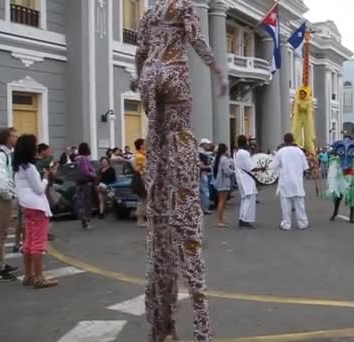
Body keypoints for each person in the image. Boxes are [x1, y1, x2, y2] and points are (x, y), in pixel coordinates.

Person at [134, 0, 228, 340]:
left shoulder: (148, 12)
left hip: (150, 74)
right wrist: (217, 68)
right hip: (174, 71)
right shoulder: (183, 6)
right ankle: (202, 329)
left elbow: (140, 53)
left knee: (157, 148)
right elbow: (197, 39)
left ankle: (160, 324)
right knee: (180, 138)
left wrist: (139, 79)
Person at [13, 134, 59, 289]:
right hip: (37, 206)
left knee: (29, 241)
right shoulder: (30, 167)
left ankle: (28, 275)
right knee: (38, 242)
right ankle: (39, 277)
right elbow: (39, 189)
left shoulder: (18, 166)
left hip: (26, 205)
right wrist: (45, 177)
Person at [0, 127, 18, 282]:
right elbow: (1, 179)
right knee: (0, 234)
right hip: (1, 199)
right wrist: (8, 194)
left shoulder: (4, 154)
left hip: (0, 197)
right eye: (14, 136)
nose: (16, 138)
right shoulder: (1, 155)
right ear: (7, 138)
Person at [270, 133, 310, 230]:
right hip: (297, 181)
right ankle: (303, 223)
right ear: (293, 140)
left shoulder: (281, 152)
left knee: (285, 205)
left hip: (285, 181)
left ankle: (286, 224)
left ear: (284, 141)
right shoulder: (299, 151)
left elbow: (273, 166)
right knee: (300, 204)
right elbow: (305, 167)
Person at [234, 135, 262, 228]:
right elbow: (251, 168)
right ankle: (245, 219)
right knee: (249, 198)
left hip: (241, 177)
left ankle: (242, 217)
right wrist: (261, 169)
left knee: (245, 199)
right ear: (246, 142)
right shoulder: (244, 153)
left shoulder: (236, 152)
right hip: (246, 178)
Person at [75, 143, 95, 230]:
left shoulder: (77, 159)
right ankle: (86, 222)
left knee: (81, 202)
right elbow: (86, 171)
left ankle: (84, 221)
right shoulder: (84, 159)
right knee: (86, 203)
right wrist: (93, 174)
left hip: (78, 183)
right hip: (85, 183)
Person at [212, 143, 233, 227]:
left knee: (221, 201)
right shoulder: (224, 159)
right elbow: (227, 171)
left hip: (217, 181)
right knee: (222, 202)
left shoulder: (216, 159)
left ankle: (221, 219)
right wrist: (232, 171)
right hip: (223, 182)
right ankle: (219, 220)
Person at [133, 138, 147, 227]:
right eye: (144, 143)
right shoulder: (140, 156)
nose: (146, 145)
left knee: (142, 200)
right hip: (142, 177)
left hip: (142, 177)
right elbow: (145, 167)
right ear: (141, 145)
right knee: (143, 199)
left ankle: (141, 219)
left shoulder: (141, 154)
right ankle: (140, 220)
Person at [198, 138, 213, 215]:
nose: (208, 145)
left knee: (203, 191)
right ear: (203, 144)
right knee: (205, 191)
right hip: (203, 174)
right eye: (207, 144)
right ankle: (205, 209)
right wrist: (209, 166)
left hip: (202, 174)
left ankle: (204, 208)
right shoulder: (201, 154)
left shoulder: (202, 153)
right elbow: (201, 165)